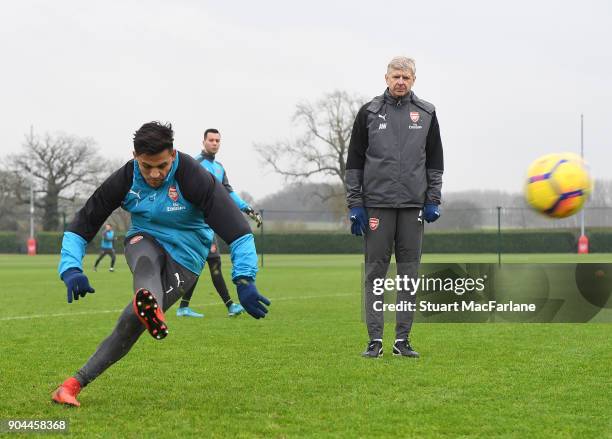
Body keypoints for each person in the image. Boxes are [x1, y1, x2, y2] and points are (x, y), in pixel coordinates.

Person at [52, 121, 270, 407]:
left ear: (173, 154)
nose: (154, 174)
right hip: (145, 238)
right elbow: (83, 223)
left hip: (188, 259)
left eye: (162, 166)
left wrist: (244, 279)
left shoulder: (194, 176)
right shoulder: (125, 178)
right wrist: (70, 268)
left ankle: (71, 385)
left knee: (131, 322)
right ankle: (149, 303)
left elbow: (238, 232)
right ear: (135, 157)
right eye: (146, 167)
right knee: (144, 261)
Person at [345, 56, 444, 359]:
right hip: (377, 206)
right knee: (375, 275)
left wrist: (432, 198)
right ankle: (375, 340)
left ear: (414, 80)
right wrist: (355, 204)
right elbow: (354, 163)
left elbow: (436, 161)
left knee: (409, 275)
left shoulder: (426, 113)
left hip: (413, 206)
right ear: (386, 78)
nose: (401, 81)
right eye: (396, 76)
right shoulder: (369, 113)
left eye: (406, 77)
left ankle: (402, 341)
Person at [175, 128, 263, 318]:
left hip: (209, 226)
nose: (215, 143)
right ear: (203, 141)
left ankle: (186, 307)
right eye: (211, 140)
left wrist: (247, 209)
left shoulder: (220, 168)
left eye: (217, 141)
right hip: (194, 226)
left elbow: (229, 193)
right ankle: (228, 305)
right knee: (206, 264)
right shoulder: (195, 164)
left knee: (208, 265)